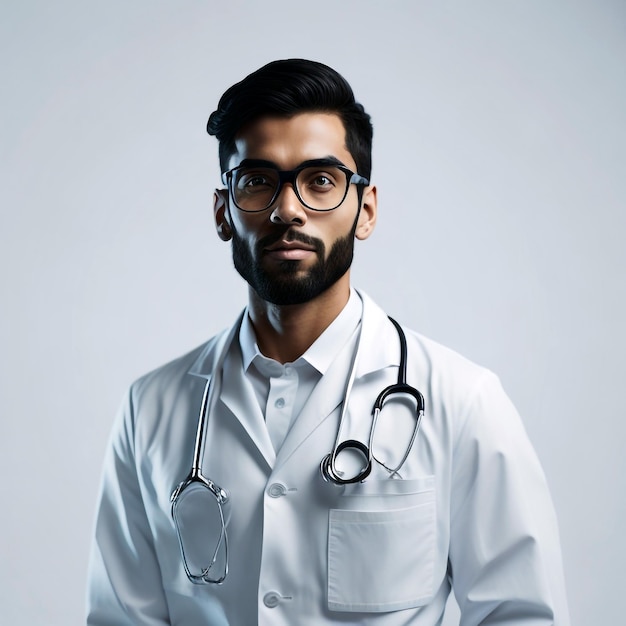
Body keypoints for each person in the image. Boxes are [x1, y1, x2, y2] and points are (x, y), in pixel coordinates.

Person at [86, 59, 570, 625]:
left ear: (364, 210)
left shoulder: (461, 401)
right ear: (223, 212)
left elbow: (524, 615)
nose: (287, 209)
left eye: (320, 180)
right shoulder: (150, 409)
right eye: (259, 180)